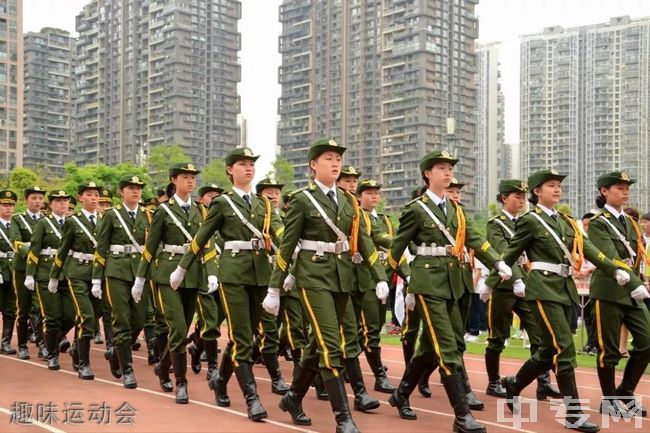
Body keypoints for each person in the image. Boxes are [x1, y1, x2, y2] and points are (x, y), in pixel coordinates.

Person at [490, 169, 647, 433]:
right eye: (551, 185)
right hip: (542, 289)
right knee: (565, 349)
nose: (557, 189)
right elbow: (510, 251)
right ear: (537, 192)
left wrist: (613, 268)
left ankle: (514, 384)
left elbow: (589, 250)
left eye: (559, 186)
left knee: (548, 352)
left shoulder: (565, 221)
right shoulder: (530, 220)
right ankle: (573, 413)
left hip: (565, 289)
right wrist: (497, 274)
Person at [264, 138, 389, 433]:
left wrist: (380, 275)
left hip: (342, 277)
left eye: (338, 159)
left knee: (317, 346)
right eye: (329, 158)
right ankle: (343, 418)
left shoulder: (348, 201)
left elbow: (363, 239)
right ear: (313, 165)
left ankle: (293, 397)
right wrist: (274, 288)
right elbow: (287, 245)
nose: (335, 163)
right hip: (313, 277)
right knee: (332, 345)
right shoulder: (302, 199)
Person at [385, 150, 511, 433]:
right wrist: (394, 280)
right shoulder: (416, 209)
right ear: (427, 173)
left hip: (454, 284)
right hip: (428, 284)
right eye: (441, 167)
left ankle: (401, 393)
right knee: (447, 348)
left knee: (437, 346)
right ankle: (462, 416)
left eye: (450, 168)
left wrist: (499, 262)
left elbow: (477, 240)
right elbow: (396, 250)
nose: (447, 172)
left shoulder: (457, 211)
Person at [171, 148, 284, 420]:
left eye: (251, 165)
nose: (248, 169)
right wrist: (182, 266)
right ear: (229, 170)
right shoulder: (222, 204)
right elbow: (202, 237)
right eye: (242, 164)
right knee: (242, 337)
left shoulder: (264, 205)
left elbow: (280, 235)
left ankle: (221, 380)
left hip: (260, 275)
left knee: (244, 337)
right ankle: (252, 399)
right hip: (233, 276)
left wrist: (288, 263)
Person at [133, 162, 217, 404]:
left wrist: (211, 272)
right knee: (178, 329)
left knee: (184, 328)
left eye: (193, 178)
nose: (190, 181)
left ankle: (162, 365)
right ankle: (181, 382)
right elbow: (150, 247)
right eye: (185, 177)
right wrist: (140, 278)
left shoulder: (202, 211)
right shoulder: (163, 211)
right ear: (174, 180)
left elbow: (207, 245)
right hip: (167, 274)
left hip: (194, 274)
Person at [481, 179, 562, 402]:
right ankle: (493, 382)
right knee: (497, 337)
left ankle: (543, 384)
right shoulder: (495, 224)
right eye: (516, 196)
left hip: (527, 286)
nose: (521, 201)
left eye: (524, 197)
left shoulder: (531, 221)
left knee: (540, 336)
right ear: (504, 198)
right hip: (504, 286)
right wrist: (516, 279)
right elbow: (504, 254)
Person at [587, 171, 650, 417]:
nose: (625, 192)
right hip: (610, 291)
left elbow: (635, 258)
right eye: (619, 187)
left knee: (646, 342)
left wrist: (638, 282)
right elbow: (611, 258)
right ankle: (609, 398)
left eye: (627, 188)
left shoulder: (631, 223)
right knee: (609, 349)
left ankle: (625, 390)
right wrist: (637, 284)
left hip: (632, 292)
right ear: (604, 191)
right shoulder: (599, 222)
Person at [92, 175, 151, 389]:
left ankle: (116, 351)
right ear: (121, 192)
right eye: (131, 188)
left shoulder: (147, 216)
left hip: (140, 273)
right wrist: (97, 278)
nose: (135, 192)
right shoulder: (111, 215)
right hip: (116, 270)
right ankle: (127, 369)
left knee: (140, 319)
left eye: (138, 188)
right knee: (122, 319)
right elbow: (101, 247)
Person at [49, 181, 103, 380]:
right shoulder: (73, 221)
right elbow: (63, 250)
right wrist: (55, 275)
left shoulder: (105, 219)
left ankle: (76, 349)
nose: (94, 198)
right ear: (80, 198)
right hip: (77, 273)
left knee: (95, 314)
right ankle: (83, 363)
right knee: (85, 316)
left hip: (97, 275)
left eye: (96, 194)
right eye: (89, 194)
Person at [25, 190, 75, 370]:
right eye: (58, 201)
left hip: (67, 274)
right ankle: (51, 353)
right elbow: (35, 249)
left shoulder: (72, 222)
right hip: (46, 274)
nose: (62, 204)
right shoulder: (43, 224)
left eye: (65, 201)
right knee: (52, 317)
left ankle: (52, 341)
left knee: (71, 315)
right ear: (51, 204)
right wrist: (30, 274)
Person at [11, 186, 46, 360]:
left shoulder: (47, 219)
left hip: (42, 269)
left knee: (41, 308)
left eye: (40, 198)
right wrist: (34, 252)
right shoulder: (18, 219)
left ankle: (42, 344)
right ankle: (22, 345)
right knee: (23, 308)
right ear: (27, 200)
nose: (37, 201)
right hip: (23, 268)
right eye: (34, 198)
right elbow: (16, 242)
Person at [0, 190, 18, 355]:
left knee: (10, 309)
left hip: (12, 271)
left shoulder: (16, 225)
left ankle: (5, 342)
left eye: (11, 205)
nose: (8, 208)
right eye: (5, 205)